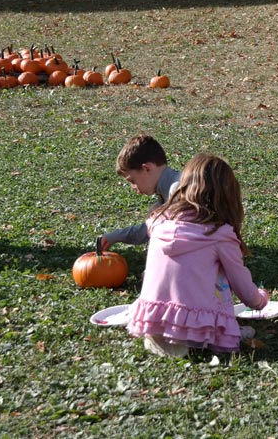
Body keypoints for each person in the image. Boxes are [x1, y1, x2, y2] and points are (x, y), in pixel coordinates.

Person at [125, 153, 269, 358]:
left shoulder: (159, 223)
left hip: (154, 320)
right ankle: (206, 336)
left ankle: (166, 337)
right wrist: (260, 300)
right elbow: (242, 284)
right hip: (197, 328)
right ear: (227, 195)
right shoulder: (218, 234)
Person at [101, 135, 181, 251]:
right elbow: (149, 229)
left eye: (132, 181)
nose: (133, 187)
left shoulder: (178, 190)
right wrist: (115, 236)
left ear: (146, 168)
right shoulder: (167, 190)